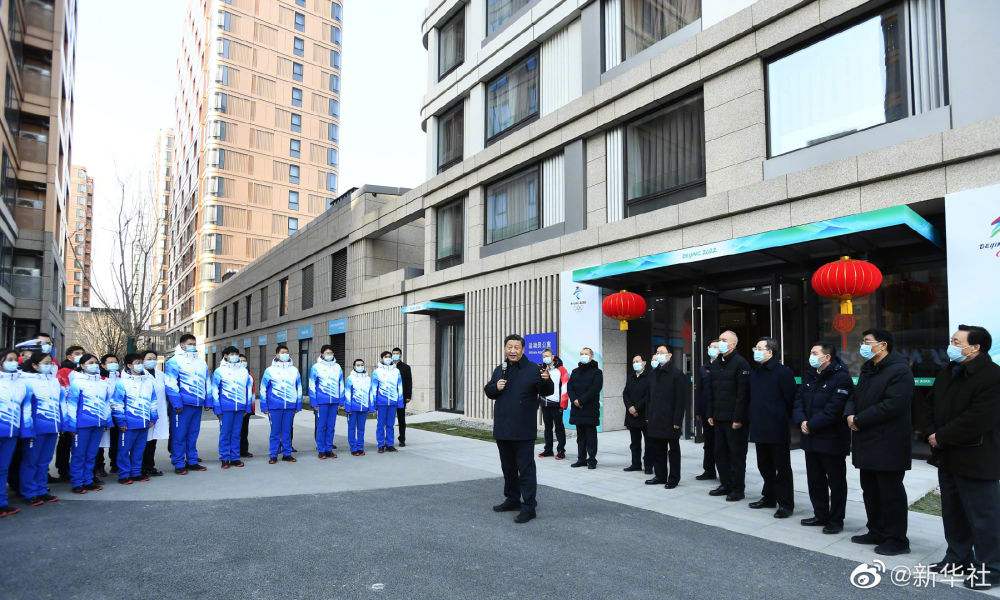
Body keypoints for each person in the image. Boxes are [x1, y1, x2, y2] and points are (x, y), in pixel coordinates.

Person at [920, 325, 1000, 590]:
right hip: (947, 456)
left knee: (983, 517)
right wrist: (930, 432)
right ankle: (957, 559)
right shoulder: (949, 371)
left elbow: (979, 418)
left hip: (976, 457)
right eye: (952, 340)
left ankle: (991, 568)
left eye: (957, 342)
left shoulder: (992, 376)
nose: (951, 345)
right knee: (953, 513)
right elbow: (930, 404)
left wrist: (942, 436)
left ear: (975, 347)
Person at [845, 328, 915, 556]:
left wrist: (860, 419)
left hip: (888, 442)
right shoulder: (869, 368)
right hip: (866, 440)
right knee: (871, 490)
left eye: (867, 342)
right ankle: (876, 530)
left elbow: (892, 405)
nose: (863, 346)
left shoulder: (899, 370)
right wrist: (850, 414)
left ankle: (897, 539)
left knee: (890, 493)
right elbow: (855, 396)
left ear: (883, 345)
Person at [484, 334, 553, 524]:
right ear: (505, 349)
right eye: (509, 347)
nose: (512, 351)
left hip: (523, 429)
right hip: (503, 427)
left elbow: (547, 391)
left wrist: (546, 380)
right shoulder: (501, 369)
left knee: (526, 469)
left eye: (516, 347)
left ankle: (529, 506)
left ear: (523, 349)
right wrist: (496, 387)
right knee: (508, 468)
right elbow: (489, 390)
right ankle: (512, 499)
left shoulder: (533, 369)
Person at [793, 342, 853, 535]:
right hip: (810, 438)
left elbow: (834, 409)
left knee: (836, 482)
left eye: (814, 353)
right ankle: (820, 514)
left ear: (827, 357)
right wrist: (802, 421)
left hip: (832, 439)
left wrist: (811, 425)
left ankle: (836, 520)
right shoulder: (810, 375)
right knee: (815, 479)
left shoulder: (841, 378)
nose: (811, 356)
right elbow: (798, 401)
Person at [747, 337, 797, 518]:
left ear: (770, 352)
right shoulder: (755, 372)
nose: (756, 351)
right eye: (755, 348)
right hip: (759, 426)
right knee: (764, 465)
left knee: (781, 468)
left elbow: (791, 399)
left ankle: (786, 504)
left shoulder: (783, 372)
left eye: (759, 348)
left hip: (777, 427)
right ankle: (769, 497)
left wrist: (785, 419)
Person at [706, 330, 751, 502]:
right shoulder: (717, 363)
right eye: (720, 339)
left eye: (724, 340)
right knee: (720, 453)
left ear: (733, 344)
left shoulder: (741, 363)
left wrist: (738, 418)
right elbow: (711, 391)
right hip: (718, 417)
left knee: (736, 455)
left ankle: (738, 489)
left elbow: (743, 394)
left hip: (734, 420)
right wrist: (710, 413)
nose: (721, 342)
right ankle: (725, 483)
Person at [19, 352, 64, 506]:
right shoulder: (27, 382)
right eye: (45, 363)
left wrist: (62, 423)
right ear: (34, 365)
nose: (49, 366)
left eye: (50, 363)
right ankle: (29, 492)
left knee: (44, 461)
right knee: (31, 461)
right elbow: (26, 407)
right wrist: (27, 428)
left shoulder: (54, 381)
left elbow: (60, 404)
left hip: (52, 427)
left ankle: (41, 489)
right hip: (35, 429)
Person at [164, 334, 212, 475]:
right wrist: (177, 403)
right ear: (182, 345)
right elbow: (170, 384)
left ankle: (192, 461)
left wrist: (208, 401)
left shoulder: (201, 362)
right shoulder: (174, 361)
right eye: (190, 344)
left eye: (194, 344)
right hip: (182, 406)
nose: (192, 346)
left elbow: (207, 381)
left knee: (193, 434)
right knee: (179, 435)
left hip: (197, 404)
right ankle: (179, 463)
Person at [65, 354, 111, 494]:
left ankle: (88, 480)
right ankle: (77, 482)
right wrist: (71, 425)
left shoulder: (103, 383)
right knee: (79, 455)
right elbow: (71, 405)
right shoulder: (77, 383)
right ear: (82, 365)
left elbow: (107, 404)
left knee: (91, 454)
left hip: (98, 424)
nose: (94, 365)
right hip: (81, 425)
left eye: (96, 362)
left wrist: (107, 421)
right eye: (90, 363)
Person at [644, 346, 687, 488]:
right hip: (655, 418)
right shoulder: (652, 374)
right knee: (658, 449)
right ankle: (660, 476)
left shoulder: (677, 374)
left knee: (673, 450)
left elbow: (681, 400)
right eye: (657, 353)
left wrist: (677, 420)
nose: (659, 355)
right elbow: (649, 398)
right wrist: (648, 416)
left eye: (662, 352)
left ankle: (673, 478)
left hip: (670, 420)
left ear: (669, 355)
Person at [112, 354, 157, 485]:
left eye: (141, 362)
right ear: (129, 365)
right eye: (137, 363)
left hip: (144, 423)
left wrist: (153, 417)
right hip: (128, 424)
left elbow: (153, 401)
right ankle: (124, 474)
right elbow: (117, 404)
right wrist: (121, 422)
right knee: (124, 450)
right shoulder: (122, 383)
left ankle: (136, 472)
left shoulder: (148, 382)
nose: (140, 365)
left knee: (139, 450)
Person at [212, 346, 252, 469]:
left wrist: (247, 408)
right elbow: (214, 390)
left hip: (240, 408)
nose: (234, 356)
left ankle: (235, 457)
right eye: (231, 354)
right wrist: (217, 409)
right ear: (225, 356)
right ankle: (225, 457)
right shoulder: (219, 371)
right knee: (225, 434)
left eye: (236, 354)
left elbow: (248, 390)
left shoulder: (244, 371)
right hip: (226, 408)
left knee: (236, 434)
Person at [260, 344, 301, 464]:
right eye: (282, 352)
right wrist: (264, 406)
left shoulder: (294, 370)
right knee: (275, 432)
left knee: (287, 431)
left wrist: (298, 405)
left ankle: (287, 454)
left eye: (287, 352)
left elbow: (298, 388)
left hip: (290, 406)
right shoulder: (270, 370)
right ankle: (273, 454)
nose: (285, 354)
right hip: (275, 406)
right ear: (277, 355)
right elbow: (263, 388)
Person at [0, 349, 27, 517]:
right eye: (9, 359)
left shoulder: (20, 382)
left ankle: (2, 502)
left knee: (3, 468)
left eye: (15, 359)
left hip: (11, 431)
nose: (14, 362)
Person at [53, 345, 85, 483]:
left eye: (82, 353)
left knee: (81, 445)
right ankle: (64, 470)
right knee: (65, 443)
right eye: (77, 353)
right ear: (69, 356)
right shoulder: (63, 372)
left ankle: (80, 471)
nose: (80, 355)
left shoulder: (83, 371)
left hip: (83, 414)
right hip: (68, 413)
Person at [568, 347, 603, 469]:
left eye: (586, 354)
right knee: (580, 436)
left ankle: (592, 460)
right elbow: (570, 387)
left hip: (589, 408)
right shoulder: (575, 371)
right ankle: (581, 459)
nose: (583, 355)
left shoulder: (597, 372)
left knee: (591, 436)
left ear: (591, 356)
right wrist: (575, 400)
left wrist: (581, 400)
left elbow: (595, 388)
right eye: (581, 354)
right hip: (577, 409)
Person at [310, 345, 344, 459]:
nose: (329, 355)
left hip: (334, 402)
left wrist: (341, 401)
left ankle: (329, 449)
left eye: (331, 353)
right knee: (321, 426)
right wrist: (314, 402)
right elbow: (312, 385)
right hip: (321, 402)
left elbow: (341, 384)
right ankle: (321, 450)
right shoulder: (316, 367)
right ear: (322, 354)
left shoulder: (337, 367)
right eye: (327, 353)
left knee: (331, 426)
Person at [694, 342, 719, 481]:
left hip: (719, 412)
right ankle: (709, 470)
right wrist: (698, 410)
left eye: (716, 347)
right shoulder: (704, 368)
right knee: (708, 443)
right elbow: (699, 390)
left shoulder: (723, 366)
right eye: (711, 347)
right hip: (705, 411)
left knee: (720, 444)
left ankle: (724, 472)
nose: (712, 349)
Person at [538, 349, 568, 460]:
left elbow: (565, 386)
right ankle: (548, 450)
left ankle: (561, 451)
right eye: (544, 356)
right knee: (547, 428)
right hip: (545, 403)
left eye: (547, 356)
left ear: (552, 356)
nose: (545, 358)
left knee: (559, 428)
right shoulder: (542, 369)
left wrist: (563, 403)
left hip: (557, 404)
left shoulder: (561, 369)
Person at [142, 350, 168, 477]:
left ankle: (150, 466)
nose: (152, 361)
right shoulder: (140, 375)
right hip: (145, 413)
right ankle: (141, 467)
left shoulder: (160, 375)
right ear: (142, 360)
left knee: (152, 441)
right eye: (149, 359)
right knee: (143, 441)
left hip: (158, 412)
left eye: (154, 358)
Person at [94, 353, 120, 477]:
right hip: (103, 414)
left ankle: (115, 464)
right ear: (103, 365)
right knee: (100, 442)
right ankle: (99, 466)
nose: (113, 364)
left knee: (116, 441)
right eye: (110, 362)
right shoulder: (98, 379)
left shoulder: (122, 378)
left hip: (118, 414)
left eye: (115, 362)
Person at [372, 351, 403, 453]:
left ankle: (389, 444)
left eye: (390, 356)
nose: (388, 358)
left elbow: (399, 387)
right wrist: (374, 404)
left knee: (390, 425)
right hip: (381, 403)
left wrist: (400, 402)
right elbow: (374, 389)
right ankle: (381, 444)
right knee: (381, 425)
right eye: (386, 357)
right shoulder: (377, 372)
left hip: (393, 403)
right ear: (382, 358)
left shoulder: (396, 371)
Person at [622, 354, 649, 473]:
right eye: (633, 362)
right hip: (631, 415)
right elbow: (625, 394)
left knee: (649, 442)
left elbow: (648, 396)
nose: (635, 364)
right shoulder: (630, 377)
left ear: (644, 363)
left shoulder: (649, 377)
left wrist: (636, 408)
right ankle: (635, 463)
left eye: (637, 361)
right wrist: (630, 407)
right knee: (634, 442)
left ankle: (648, 465)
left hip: (644, 414)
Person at [344, 359, 374, 456]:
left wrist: (371, 407)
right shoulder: (350, 378)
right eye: (358, 365)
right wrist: (348, 408)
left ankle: (360, 447)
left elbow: (371, 393)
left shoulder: (368, 379)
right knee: (352, 429)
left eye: (362, 365)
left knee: (361, 429)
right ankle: (353, 448)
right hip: (353, 408)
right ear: (354, 367)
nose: (360, 367)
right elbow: (347, 393)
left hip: (364, 408)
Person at [391, 347, 412, 447]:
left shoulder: (405, 367)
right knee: (389, 419)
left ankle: (402, 439)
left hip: (401, 397)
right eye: (394, 353)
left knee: (401, 419)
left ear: (400, 355)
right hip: (390, 397)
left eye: (397, 353)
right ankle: (388, 440)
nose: (395, 355)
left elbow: (409, 382)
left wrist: (408, 396)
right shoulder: (388, 367)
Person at [238, 354, 255, 459]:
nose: (243, 363)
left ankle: (244, 450)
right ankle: (233, 451)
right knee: (235, 431)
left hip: (246, 408)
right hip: (236, 407)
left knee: (244, 430)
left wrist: (250, 409)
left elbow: (252, 393)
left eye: (244, 361)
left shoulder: (250, 376)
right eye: (240, 361)